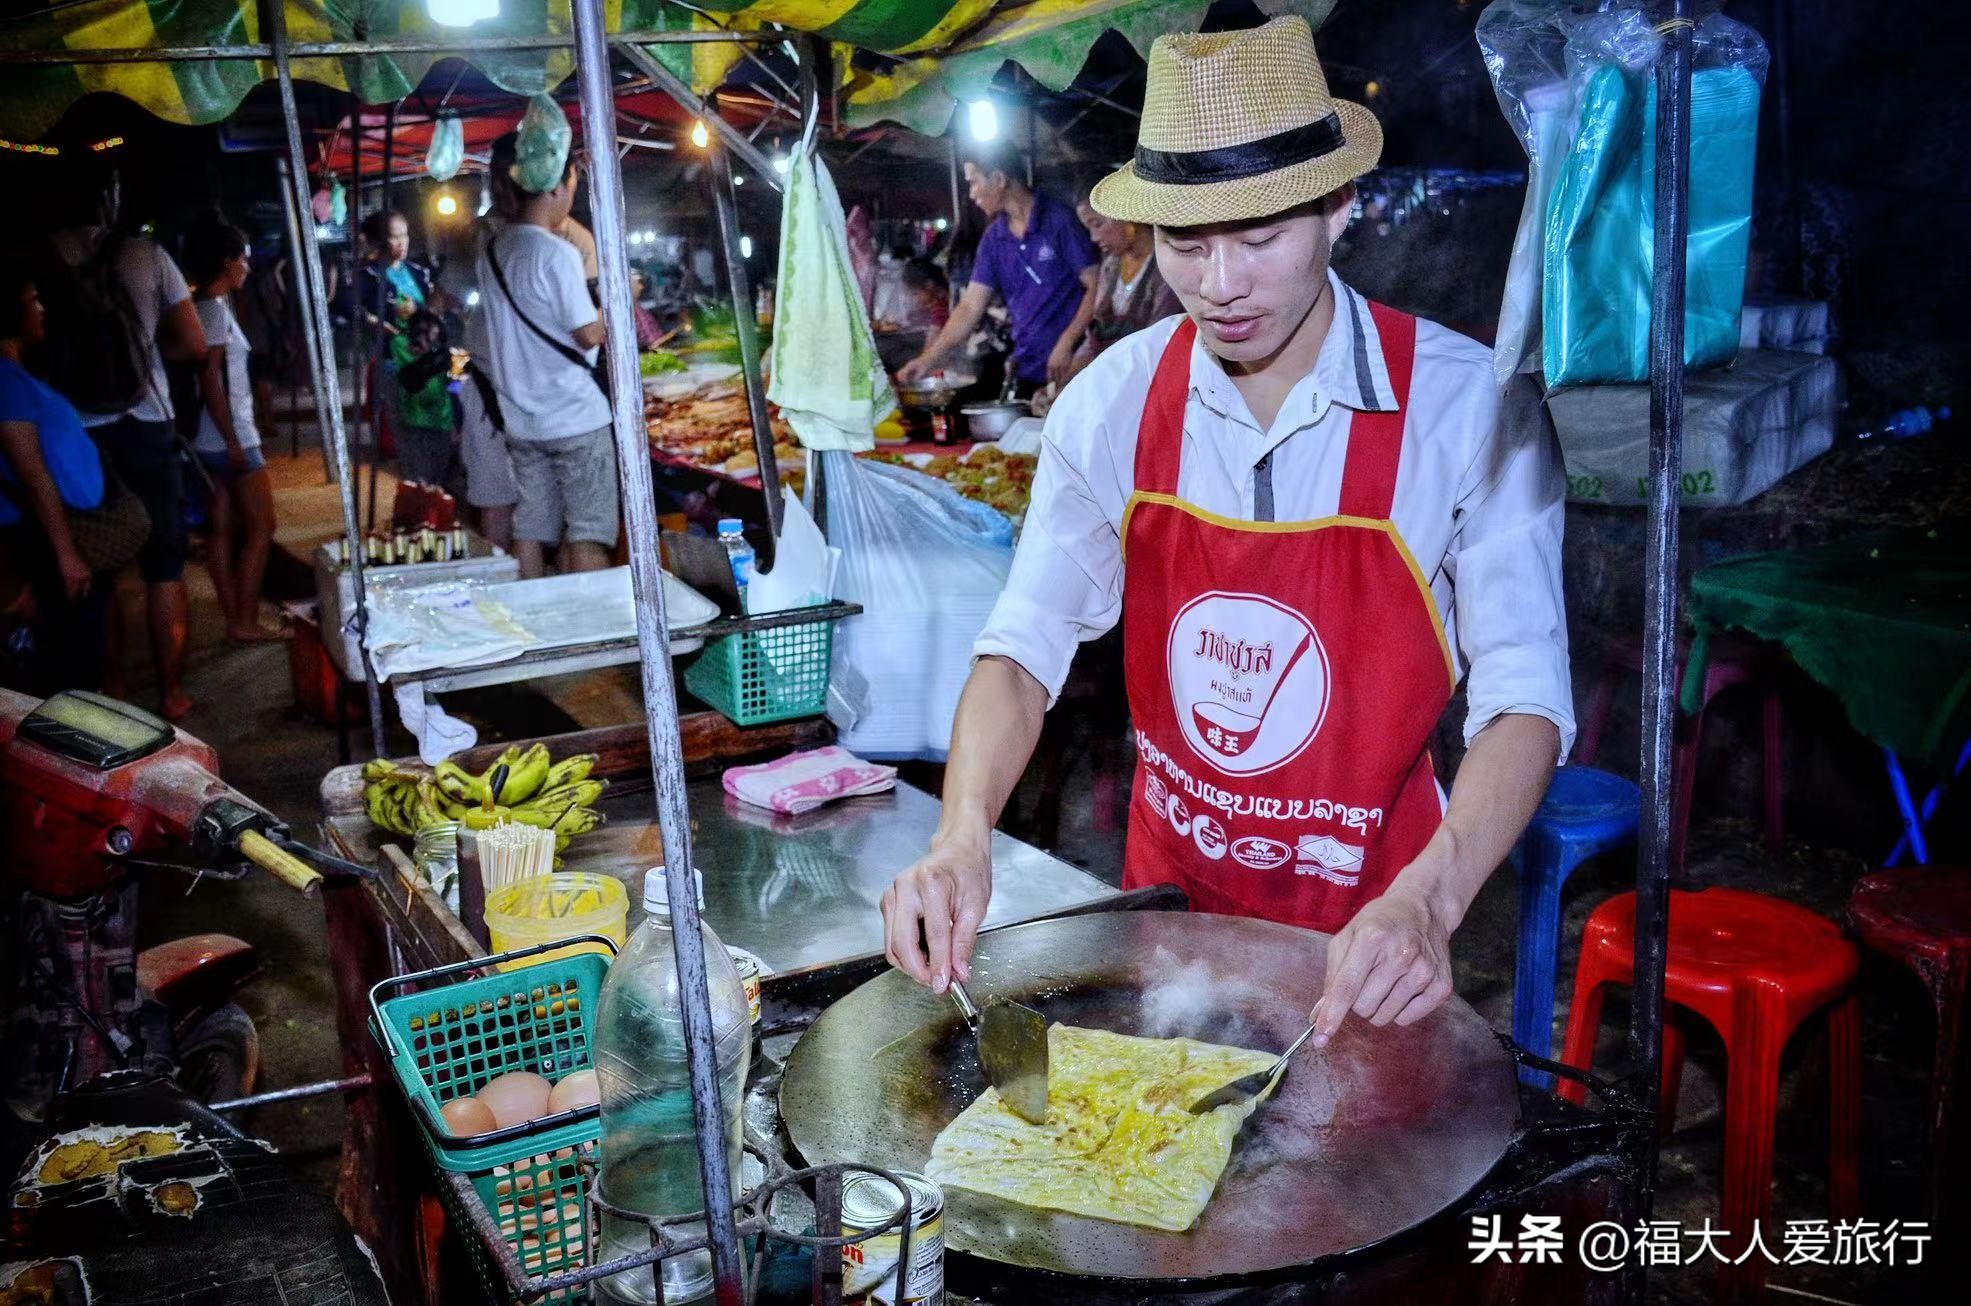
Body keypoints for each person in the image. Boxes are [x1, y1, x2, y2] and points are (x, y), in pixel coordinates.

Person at [880, 19, 1572, 1049]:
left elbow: (1526, 700)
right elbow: (1023, 649)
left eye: (1258, 238)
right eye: (1187, 244)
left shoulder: (1465, 410)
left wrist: (1432, 900)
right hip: (1171, 923)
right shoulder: (1110, 405)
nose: (1220, 284)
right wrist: (961, 829)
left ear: (1339, 207)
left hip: (1375, 932)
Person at [43, 157, 205, 719]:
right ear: (111, 196)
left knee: (102, 564)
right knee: (166, 566)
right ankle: (171, 693)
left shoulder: (44, 257)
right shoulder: (147, 254)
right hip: (148, 421)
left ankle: (112, 688)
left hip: (76, 432)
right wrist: (144, 357)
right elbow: (195, 344)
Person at [470, 131, 616, 579]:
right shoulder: (556, 253)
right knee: (588, 531)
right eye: (573, 181)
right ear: (556, 185)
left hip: (522, 421)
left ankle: (539, 629)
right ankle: (592, 641)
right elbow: (589, 333)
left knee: (530, 527)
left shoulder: (494, 250)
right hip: (575, 418)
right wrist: (620, 304)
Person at [897, 144, 1101, 397]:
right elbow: (970, 307)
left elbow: (1096, 283)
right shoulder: (994, 238)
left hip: (1074, 367)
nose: (971, 194)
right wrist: (927, 360)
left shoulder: (1058, 221)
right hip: (1027, 368)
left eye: (974, 182)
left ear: (999, 179)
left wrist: (1068, 341)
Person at [0, 255, 111, 692]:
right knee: (69, 660)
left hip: (44, 533)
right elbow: (33, 473)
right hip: (40, 535)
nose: (41, 307)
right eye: (32, 299)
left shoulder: (15, 374)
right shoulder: (6, 383)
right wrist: (65, 553)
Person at [183, 217, 285, 644]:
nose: (248, 266)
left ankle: (234, 618)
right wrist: (233, 440)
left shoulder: (206, 307)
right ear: (227, 263)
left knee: (222, 529)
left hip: (209, 439)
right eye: (243, 258)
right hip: (228, 436)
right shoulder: (211, 309)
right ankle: (244, 619)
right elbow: (210, 379)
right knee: (262, 526)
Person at [1031, 197, 1183, 416]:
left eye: (1098, 224)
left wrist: (1087, 390)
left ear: (1126, 215)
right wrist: (1061, 387)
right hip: (1114, 395)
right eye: (1088, 228)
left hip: (1154, 400)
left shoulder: (1167, 266)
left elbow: (1157, 346)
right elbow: (1095, 341)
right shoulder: (1111, 267)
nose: (1093, 238)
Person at [389, 308, 459, 488]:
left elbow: (458, 386)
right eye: (426, 336)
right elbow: (410, 380)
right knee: (418, 480)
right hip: (415, 422)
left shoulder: (449, 349)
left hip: (443, 421)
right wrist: (431, 356)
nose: (430, 342)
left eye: (434, 337)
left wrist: (457, 422)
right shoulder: (400, 344)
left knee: (439, 478)